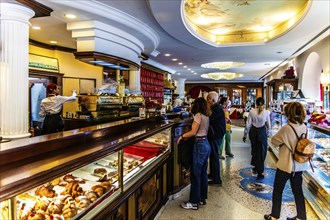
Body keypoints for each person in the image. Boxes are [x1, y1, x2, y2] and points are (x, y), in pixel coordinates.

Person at [264, 102, 308, 220]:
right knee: (298, 192)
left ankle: (274, 215)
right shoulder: (304, 126)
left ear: (289, 113)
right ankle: (301, 217)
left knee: (278, 190)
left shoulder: (286, 128)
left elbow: (274, 141)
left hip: (285, 165)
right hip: (299, 166)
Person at [177, 97, 211, 210]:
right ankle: (202, 198)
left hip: (199, 145)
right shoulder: (206, 115)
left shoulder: (198, 115)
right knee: (202, 173)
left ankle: (193, 202)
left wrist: (182, 136)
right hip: (206, 144)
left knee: (195, 174)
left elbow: (193, 132)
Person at [243, 97, 270, 180]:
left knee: (255, 150)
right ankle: (259, 172)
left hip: (253, 132)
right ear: (264, 103)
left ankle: (255, 167)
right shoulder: (266, 112)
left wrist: (245, 135)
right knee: (262, 152)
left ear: (256, 103)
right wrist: (268, 134)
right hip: (262, 132)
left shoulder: (251, 111)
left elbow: (248, 124)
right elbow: (268, 125)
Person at [207, 91, 226, 186]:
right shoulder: (215, 108)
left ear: (213, 100)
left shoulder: (216, 109)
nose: (207, 101)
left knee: (214, 156)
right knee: (212, 155)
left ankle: (217, 179)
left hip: (216, 135)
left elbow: (208, 119)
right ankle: (212, 174)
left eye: (208, 99)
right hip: (215, 134)